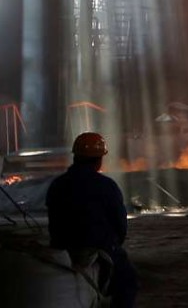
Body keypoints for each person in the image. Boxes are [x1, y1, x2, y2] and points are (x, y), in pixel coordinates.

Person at [46, 132, 139, 308]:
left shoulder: (57, 185)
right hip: (98, 247)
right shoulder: (106, 186)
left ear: (75, 157)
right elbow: (120, 226)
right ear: (99, 160)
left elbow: (53, 222)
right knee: (128, 282)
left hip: (62, 248)